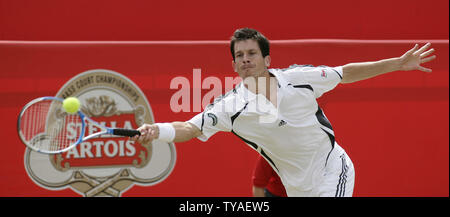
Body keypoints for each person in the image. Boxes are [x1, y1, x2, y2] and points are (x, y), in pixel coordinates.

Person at [131, 28, 436, 197]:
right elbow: (189, 128)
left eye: (252, 53)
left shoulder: (299, 78)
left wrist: (397, 63)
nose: (246, 59)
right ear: (234, 65)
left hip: (332, 167)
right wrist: (158, 130)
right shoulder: (230, 107)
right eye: (239, 56)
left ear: (266, 58)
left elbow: (346, 73)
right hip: (297, 189)